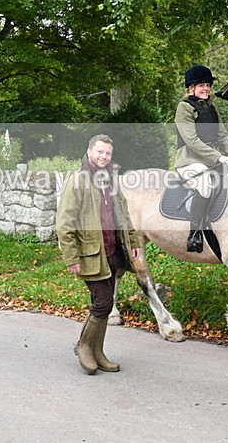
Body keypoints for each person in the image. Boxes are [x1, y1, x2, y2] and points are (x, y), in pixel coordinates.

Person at [56, 134, 143, 375]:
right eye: (100, 152)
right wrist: (71, 257)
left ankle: (98, 352)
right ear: (89, 151)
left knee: (102, 303)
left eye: (108, 153)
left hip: (112, 251)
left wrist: (133, 241)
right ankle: (84, 346)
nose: (104, 156)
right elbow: (64, 222)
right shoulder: (78, 180)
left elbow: (123, 213)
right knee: (104, 302)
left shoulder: (111, 179)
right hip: (90, 253)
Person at [174, 64, 228, 252]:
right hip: (189, 161)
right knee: (205, 186)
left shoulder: (212, 107)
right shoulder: (184, 107)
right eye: (201, 85)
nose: (206, 89)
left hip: (212, 161)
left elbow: (223, 134)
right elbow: (191, 140)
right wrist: (219, 157)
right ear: (191, 88)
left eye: (208, 85)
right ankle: (194, 234)